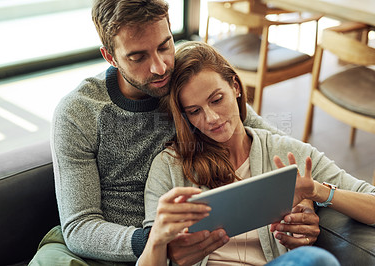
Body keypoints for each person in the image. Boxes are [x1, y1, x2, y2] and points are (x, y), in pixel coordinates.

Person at [29, 1, 319, 265]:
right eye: (138, 57)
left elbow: (272, 144)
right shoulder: (79, 112)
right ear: (110, 56)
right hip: (114, 249)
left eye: (165, 46)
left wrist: (304, 198)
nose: (160, 67)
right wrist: (157, 242)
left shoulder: (189, 84)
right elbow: (79, 226)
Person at [138, 41, 375, 266]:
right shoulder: (169, 166)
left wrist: (317, 191)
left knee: (315, 260)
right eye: (194, 111)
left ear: (236, 87)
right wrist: (158, 239)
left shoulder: (287, 153)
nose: (211, 118)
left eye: (217, 99)